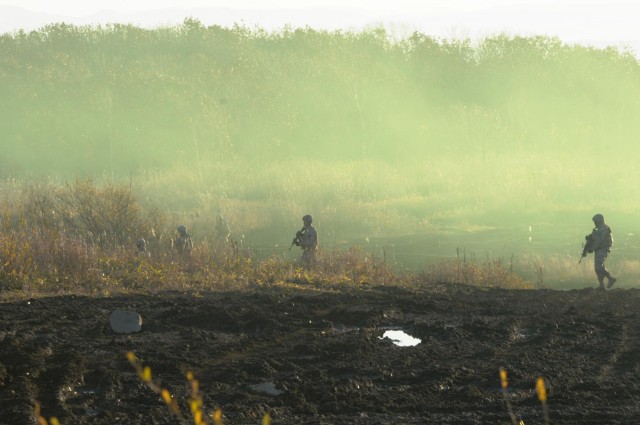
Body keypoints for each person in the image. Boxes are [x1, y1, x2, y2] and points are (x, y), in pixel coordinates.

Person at [583, 213, 616, 290]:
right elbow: (591, 240)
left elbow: (599, 241)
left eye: (595, 221)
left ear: (599, 221)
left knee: (598, 266)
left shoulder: (605, 229)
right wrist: (586, 249)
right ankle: (602, 285)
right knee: (597, 268)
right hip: (598, 249)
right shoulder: (597, 230)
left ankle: (610, 278)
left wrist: (592, 249)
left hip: (604, 248)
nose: (594, 223)